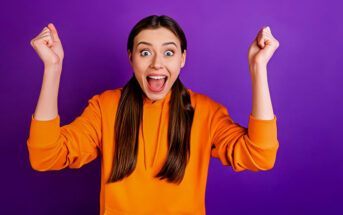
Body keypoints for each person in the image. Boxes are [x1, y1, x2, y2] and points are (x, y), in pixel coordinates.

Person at [27, 15, 280, 215]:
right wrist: (53, 67)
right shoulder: (105, 107)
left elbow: (260, 156)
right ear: (131, 58)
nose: (157, 63)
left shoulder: (205, 112)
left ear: (182, 59)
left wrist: (258, 68)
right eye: (145, 52)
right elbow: (46, 156)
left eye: (169, 52)